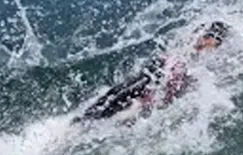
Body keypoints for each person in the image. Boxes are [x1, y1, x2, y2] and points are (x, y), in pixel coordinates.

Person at [77, 22, 229, 121]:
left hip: (162, 71)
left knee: (123, 93)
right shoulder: (195, 45)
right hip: (160, 69)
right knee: (123, 92)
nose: (212, 44)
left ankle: (88, 118)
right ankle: (88, 119)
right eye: (211, 39)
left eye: (216, 42)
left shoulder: (204, 56)